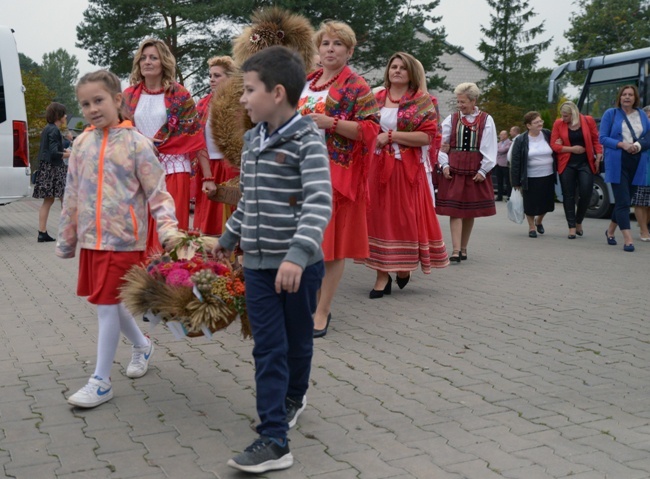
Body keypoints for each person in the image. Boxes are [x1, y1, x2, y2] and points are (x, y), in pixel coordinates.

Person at [211, 46, 332, 473]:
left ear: (277, 92)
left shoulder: (308, 139)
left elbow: (319, 202)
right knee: (269, 348)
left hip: (299, 268)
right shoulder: (251, 139)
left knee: (298, 343)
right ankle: (274, 437)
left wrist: (298, 257)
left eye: (248, 90)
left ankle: (295, 396)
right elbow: (249, 201)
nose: (241, 98)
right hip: (260, 268)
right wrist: (228, 237)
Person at [56, 70, 180, 408]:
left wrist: (169, 231)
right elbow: (71, 195)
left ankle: (100, 380)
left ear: (117, 100)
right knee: (107, 301)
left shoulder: (138, 144)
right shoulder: (80, 144)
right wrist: (67, 238)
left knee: (107, 308)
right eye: (85, 103)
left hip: (125, 240)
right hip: (92, 241)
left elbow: (158, 193)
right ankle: (142, 345)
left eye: (99, 100)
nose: (93, 108)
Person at [297, 20, 379, 336]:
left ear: (349, 50)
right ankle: (307, 303)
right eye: (326, 43)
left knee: (330, 246)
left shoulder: (357, 86)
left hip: (336, 174)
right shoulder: (306, 81)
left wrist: (330, 123)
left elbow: (371, 130)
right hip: (298, 171)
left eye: (338, 44)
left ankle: (322, 311)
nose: (330, 49)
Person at [362, 52, 448, 298]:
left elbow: (427, 136)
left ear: (411, 73)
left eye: (402, 67)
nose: (396, 70)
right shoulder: (375, 97)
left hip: (406, 168)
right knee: (376, 218)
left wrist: (391, 136)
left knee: (404, 218)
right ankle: (381, 275)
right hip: (375, 167)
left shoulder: (422, 100)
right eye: (393, 66)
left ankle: (402, 267)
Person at [123, 38, 209, 253]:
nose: (147, 62)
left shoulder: (180, 94)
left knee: (170, 232)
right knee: (139, 231)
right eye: (143, 58)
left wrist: (208, 177)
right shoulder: (128, 96)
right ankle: (139, 283)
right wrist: (141, 140)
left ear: (164, 62)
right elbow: (118, 130)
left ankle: (168, 283)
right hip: (139, 170)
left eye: (154, 57)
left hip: (173, 169)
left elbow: (195, 136)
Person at [436, 82, 497, 262]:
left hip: (474, 169)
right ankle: (455, 250)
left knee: (470, 211)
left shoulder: (486, 120)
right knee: (455, 210)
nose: (460, 105)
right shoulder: (452, 119)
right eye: (458, 102)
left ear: (473, 101)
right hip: (454, 169)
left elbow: (489, 147)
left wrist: (484, 169)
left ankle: (463, 248)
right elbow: (441, 145)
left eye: (463, 102)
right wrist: (444, 165)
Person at [599, 85, 650, 252]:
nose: (627, 97)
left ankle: (610, 231)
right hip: (617, 160)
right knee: (623, 201)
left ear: (635, 98)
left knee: (626, 200)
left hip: (637, 160)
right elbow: (603, 138)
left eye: (630, 95)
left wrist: (636, 145)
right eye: (624, 94)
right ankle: (628, 240)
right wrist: (621, 144)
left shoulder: (642, 114)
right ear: (619, 97)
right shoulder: (610, 114)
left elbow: (648, 136)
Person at [193, 55, 239, 235]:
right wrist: (207, 176)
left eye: (217, 75)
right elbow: (197, 140)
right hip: (209, 167)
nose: (212, 79)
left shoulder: (241, 103)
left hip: (232, 168)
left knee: (232, 219)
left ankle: (235, 260)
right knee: (209, 221)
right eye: (210, 75)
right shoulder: (203, 104)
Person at [550, 101, 602, 239]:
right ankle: (572, 226)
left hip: (585, 163)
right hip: (567, 163)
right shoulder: (558, 124)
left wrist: (599, 155)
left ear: (573, 114)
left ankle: (579, 221)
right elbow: (554, 145)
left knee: (586, 193)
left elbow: (596, 140)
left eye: (566, 116)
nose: (563, 118)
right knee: (568, 195)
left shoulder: (587, 120)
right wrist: (571, 149)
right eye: (562, 115)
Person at [510, 111, 557, 238]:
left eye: (540, 121)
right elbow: (515, 162)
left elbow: (556, 148)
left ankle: (539, 221)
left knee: (547, 203)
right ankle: (531, 227)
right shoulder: (521, 140)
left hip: (548, 175)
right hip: (530, 177)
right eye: (536, 122)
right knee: (530, 204)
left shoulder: (547, 134)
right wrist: (515, 182)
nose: (540, 124)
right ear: (528, 125)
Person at [32, 102, 71, 242]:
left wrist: (64, 151)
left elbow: (50, 149)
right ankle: (68, 233)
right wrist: (70, 154)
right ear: (58, 115)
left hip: (46, 168)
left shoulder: (47, 129)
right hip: (55, 168)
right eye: (64, 113)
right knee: (65, 199)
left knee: (48, 201)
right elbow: (55, 153)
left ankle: (42, 232)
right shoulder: (54, 130)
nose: (66, 116)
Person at [631, 105, 650, 241]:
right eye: (648, 117)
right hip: (642, 169)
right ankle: (644, 231)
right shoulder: (638, 131)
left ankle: (644, 226)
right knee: (640, 202)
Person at [495, 130, 512, 201]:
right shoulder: (499, 143)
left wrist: (497, 149)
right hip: (498, 164)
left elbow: (503, 150)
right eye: (500, 135)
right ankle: (499, 196)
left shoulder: (510, 143)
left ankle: (509, 196)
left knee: (508, 181)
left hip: (505, 165)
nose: (500, 136)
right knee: (499, 181)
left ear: (506, 135)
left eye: (502, 135)